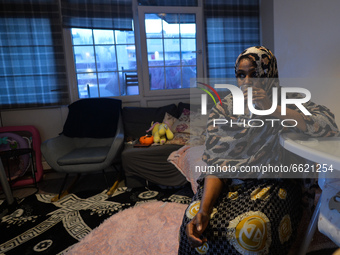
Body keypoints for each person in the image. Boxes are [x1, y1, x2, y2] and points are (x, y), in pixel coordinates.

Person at [178, 46, 339, 255]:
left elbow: (328, 124)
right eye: (241, 75)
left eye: (255, 74)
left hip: (272, 184)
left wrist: (271, 108)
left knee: (251, 231)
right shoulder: (224, 109)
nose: (246, 82)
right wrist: (204, 209)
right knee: (192, 224)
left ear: (269, 74)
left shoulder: (287, 100)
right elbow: (216, 166)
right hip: (227, 184)